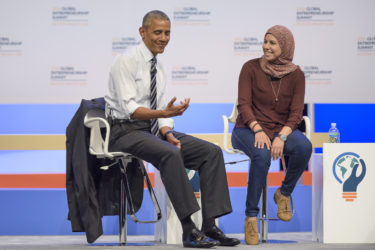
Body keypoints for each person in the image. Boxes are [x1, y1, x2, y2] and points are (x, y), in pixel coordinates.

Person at [104, 10, 240, 248]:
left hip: (152, 131)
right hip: (124, 132)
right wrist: (164, 115)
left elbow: (159, 109)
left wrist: (167, 132)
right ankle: (189, 230)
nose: (164, 38)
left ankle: (210, 226)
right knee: (170, 152)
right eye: (158, 32)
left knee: (211, 152)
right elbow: (131, 110)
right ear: (142, 32)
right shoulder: (125, 61)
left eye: (167, 33)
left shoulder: (159, 67)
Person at [231, 25, 312, 245]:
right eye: (265, 41)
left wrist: (283, 136)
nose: (266, 46)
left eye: (272, 43)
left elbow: (296, 114)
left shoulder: (297, 75)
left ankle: (283, 193)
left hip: (279, 129)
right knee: (262, 155)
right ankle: (250, 217)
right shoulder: (250, 68)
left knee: (304, 147)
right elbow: (244, 105)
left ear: (285, 46)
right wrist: (257, 129)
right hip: (246, 129)